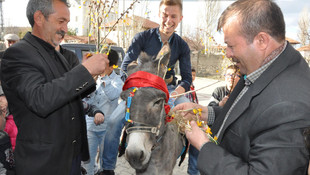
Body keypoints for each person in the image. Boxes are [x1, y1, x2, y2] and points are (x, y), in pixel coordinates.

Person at [173, 0, 310, 174]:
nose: (227, 53)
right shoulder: (263, 67)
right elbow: (250, 117)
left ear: (261, 41)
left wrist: (204, 146)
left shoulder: (289, 107)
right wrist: (205, 112)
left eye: (231, 46)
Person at [0, 0, 109, 174]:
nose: (65, 29)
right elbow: (40, 99)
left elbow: (68, 93)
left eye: (67, 23)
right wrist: (85, 70)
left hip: (70, 157)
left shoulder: (57, 53)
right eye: (61, 21)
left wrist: (90, 74)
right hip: (44, 162)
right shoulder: (18, 54)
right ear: (39, 18)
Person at [103, 0, 192, 174]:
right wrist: (137, 87)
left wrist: (175, 94)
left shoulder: (182, 45)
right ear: (159, 15)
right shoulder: (141, 38)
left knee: (193, 119)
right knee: (114, 120)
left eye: (173, 16)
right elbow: (125, 67)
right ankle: (107, 168)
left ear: (180, 18)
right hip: (140, 92)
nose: (168, 20)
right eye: (165, 15)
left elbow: (187, 79)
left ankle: (194, 169)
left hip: (169, 91)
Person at [82, 49, 123, 175]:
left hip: (107, 130)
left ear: (111, 66)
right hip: (90, 127)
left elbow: (112, 95)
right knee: (86, 163)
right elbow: (86, 100)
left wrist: (104, 78)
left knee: (106, 166)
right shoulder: (93, 78)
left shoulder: (118, 80)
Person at [185, 68, 200, 175]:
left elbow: (196, 103)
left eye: (194, 75)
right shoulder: (185, 90)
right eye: (191, 75)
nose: (192, 77)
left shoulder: (193, 89)